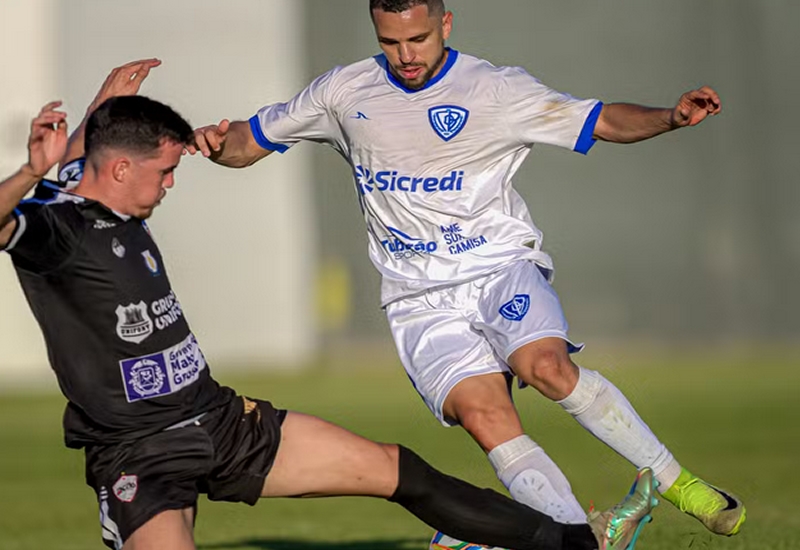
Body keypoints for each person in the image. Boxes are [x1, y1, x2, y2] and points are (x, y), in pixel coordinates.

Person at [0, 71, 657, 550]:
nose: (170, 183)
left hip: (222, 421)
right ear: (119, 170)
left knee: (401, 471)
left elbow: (85, 156)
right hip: (139, 453)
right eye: (164, 171)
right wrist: (28, 174)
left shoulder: (93, 187)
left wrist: (100, 104)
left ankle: (580, 544)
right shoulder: (53, 229)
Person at [188, 0, 746, 547]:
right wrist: (219, 144)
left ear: (445, 23)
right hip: (417, 297)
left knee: (547, 366)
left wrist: (670, 117)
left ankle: (682, 485)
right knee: (486, 415)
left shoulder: (495, 89)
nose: (405, 54)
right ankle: (581, 540)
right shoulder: (342, 91)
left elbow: (600, 120)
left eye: (418, 38)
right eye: (390, 41)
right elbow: (248, 142)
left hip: (499, 265)